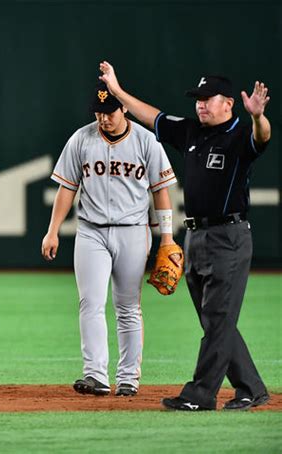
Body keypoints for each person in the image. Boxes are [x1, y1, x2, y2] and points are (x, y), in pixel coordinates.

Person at [99, 61, 271, 410]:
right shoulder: (192, 132)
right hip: (195, 237)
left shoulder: (241, 134)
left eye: (209, 98)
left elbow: (262, 137)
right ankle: (251, 387)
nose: (201, 104)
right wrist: (117, 93)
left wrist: (257, 117)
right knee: (215, 320)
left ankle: (200, 395)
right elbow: (153, 116)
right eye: (198, 98)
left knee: (219, 319)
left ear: (229, 103)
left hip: (229, 237)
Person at [41, 80, 179, 396]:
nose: (104, 118)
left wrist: (167, 238)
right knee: (90, 302)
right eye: (99, 112)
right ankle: (96, 376)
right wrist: (52, 231)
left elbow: (161, 192)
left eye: (110, 111)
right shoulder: (82, 139)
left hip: (133, 231)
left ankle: (129, 378)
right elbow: (67, 188)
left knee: (128, 306)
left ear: (124, 108)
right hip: (91, 231)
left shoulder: (146, 142)